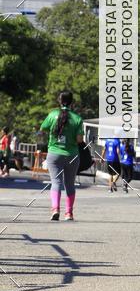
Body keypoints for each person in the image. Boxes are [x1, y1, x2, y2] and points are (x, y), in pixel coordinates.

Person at [39, 91, 84, 221]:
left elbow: (42, 129)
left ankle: (55, 209)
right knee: (70, 184)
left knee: (56, 182)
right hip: (72, 155)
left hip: (54, 154)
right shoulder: (77, 118)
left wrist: (54, 135)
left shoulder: (52, 115)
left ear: (59, 101)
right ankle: (69, 213)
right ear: (72, 102)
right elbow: (79, 139)